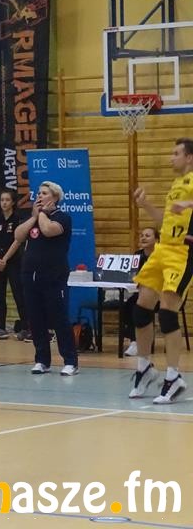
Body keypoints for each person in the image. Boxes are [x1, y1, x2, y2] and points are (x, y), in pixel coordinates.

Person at [129, 138, 193, 404]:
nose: (171, 157)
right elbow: (166, 221)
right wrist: (146, 206)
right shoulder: (177, 184)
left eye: (176, 153)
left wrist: (189, 205)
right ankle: (144, 368)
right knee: (140, 309)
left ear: (189, 157)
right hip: (162, 249)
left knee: (167, 314)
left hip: (183, 253)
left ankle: (174, 376)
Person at [15, 181, 77, 376]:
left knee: (59, 319)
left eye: (43, 193)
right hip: (30, 276)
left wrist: (41, 214)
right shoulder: (34, 218)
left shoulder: (62, 218)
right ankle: (42, 360)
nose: (39, 196)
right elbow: (18, 235)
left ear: (55, 197)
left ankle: (70, 362)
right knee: (36, 320)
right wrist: (34, 217)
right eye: (38, 193)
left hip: (54, 276)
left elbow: (48, 230)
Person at [0, 189, 26, 340]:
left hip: (13, 262)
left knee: (18, 295)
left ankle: (25, 328)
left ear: (13, 202)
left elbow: (17, 241)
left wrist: (5, 259)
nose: (4, 203)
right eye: (2, 200)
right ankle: (1, 327)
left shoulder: (17, 219)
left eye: (7, 200)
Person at [123, 227, 158, 356]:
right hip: (140, 293)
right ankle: (134, 340)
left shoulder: (161, 256)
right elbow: (132, 275)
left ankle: (138, 342)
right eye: (142, 235)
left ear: (157, 240)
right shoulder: (137, 255)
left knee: (137, 305)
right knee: (129, 304)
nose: (143, 238)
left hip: (159, 296)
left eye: (147, 236)